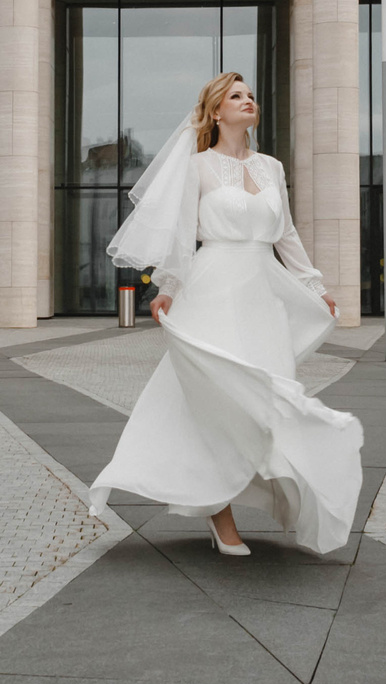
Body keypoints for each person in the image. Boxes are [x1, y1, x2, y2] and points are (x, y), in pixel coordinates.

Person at [85, 72, 365, 556]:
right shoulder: (196, 167)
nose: (248, 101)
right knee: (217, 397)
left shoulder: (272, 167)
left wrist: (314, 286)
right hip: (212, 288)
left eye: (251, 95)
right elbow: (178, 236)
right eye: (237, 96)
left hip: (262, 294)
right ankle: (220, 513)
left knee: (264, 395)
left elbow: (287, 236)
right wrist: (169, 287)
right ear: (216, 112)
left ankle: (279, 490)